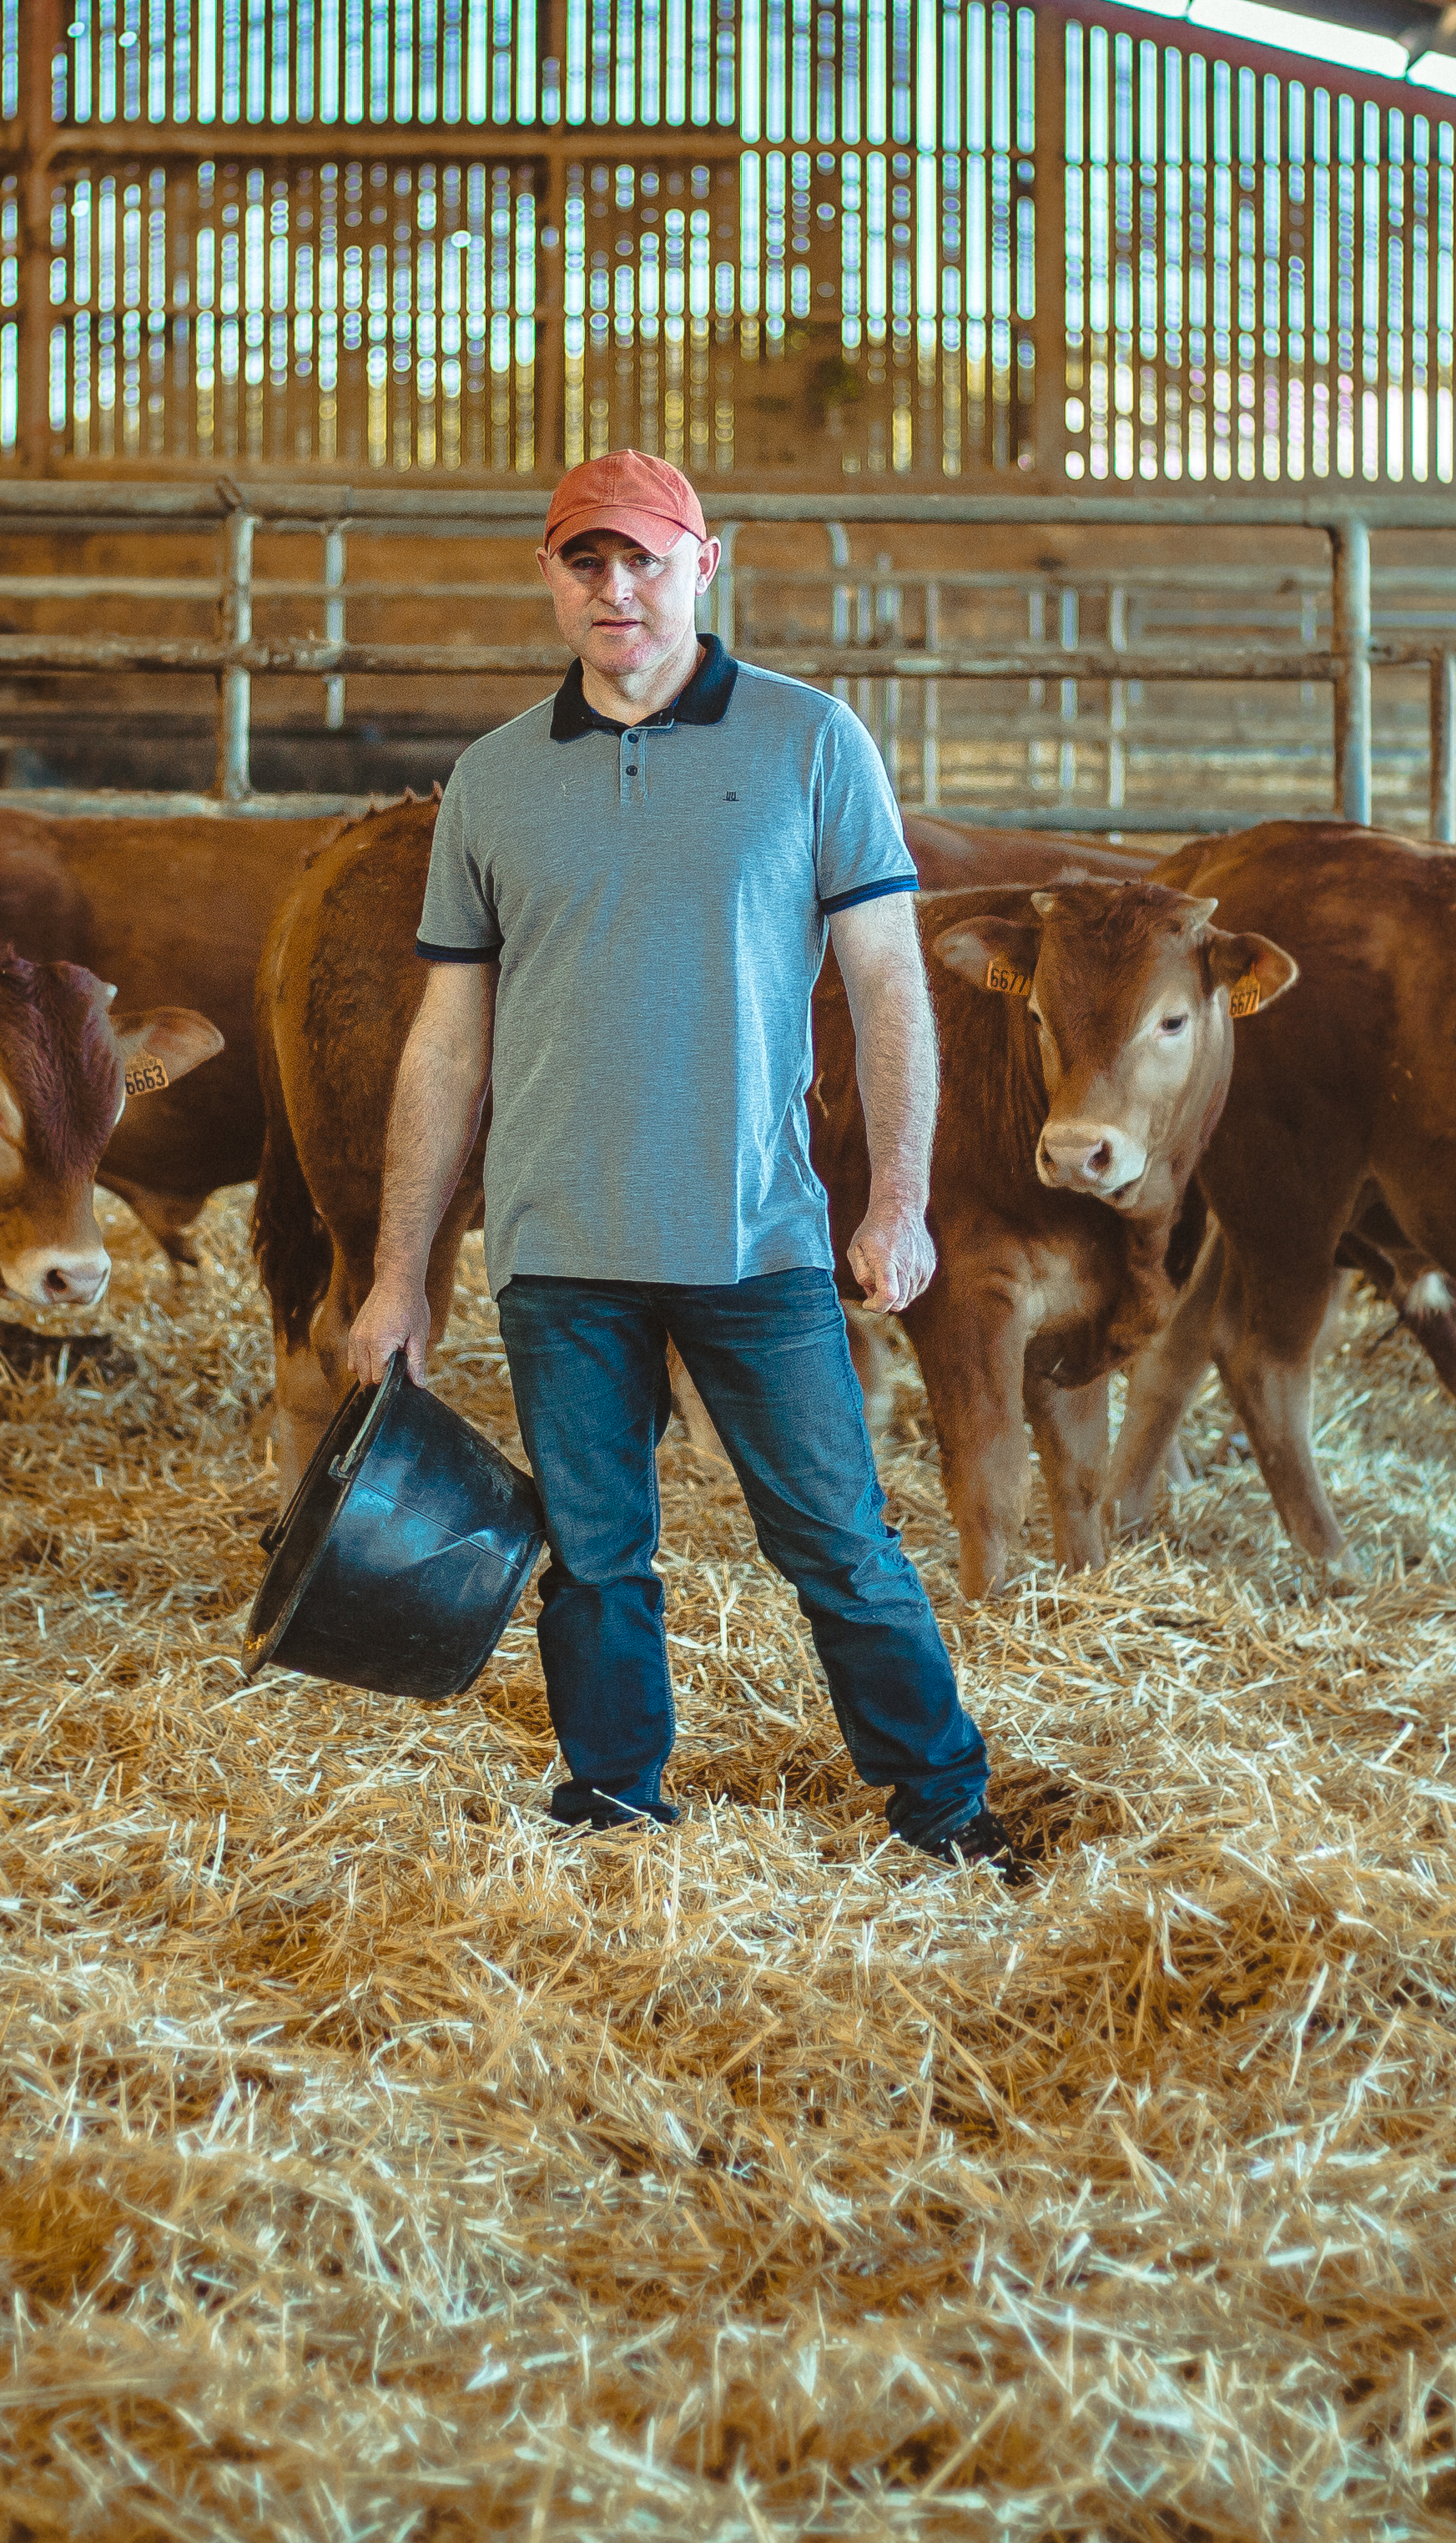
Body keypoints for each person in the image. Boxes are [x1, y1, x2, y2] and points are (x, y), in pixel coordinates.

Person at [345, 450, 1025, 1875]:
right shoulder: (490, 783)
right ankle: (615, 1809)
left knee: (838, 1546)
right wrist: (397, 1277)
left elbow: (891, 985)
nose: (617, 587)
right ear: (549, 577)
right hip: (555, 1242)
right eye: (586, 560)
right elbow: (445, 1047)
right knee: (594, 1560)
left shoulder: (809, 742)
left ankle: (945, 1811)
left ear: (703, 564)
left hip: (752, 1233)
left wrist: (898, 1199)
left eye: (644, 558)